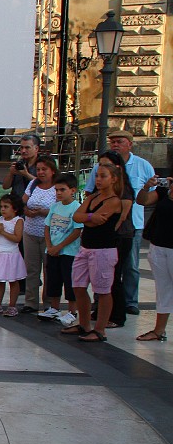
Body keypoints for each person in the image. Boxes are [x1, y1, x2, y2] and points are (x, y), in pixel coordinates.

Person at [84, 131, 154, 315]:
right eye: (112, 141)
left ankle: (130, 301)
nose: (115, 144)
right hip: (103, 226)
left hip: (131, 225)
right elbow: (89, 192)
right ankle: (100, 302)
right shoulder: (98, 170)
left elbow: (150, 194)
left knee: (130, 266)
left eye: (119, 141)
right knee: (103, 269)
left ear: (130, 144)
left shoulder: (142, 166)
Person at [63, 163, 123, 342]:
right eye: (97, 176)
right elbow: (78, 216)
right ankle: (84, 324)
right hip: (86, 247)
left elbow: (99, 221)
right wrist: (90, 217)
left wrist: (88, 219)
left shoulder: (114, 201)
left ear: (113, 179)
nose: (98, 180)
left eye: (103, 176)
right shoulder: (92, 198)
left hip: (103, 250)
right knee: (79, 286)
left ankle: (100, 329)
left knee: (103, 290)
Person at [94, 152, 135, 328]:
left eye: (106, 165)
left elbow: (121, 217)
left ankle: (117, 315)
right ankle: (101, 311)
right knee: (102, 276)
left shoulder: (123, 189)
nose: (101, 168)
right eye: (99, 165)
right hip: (104, 237)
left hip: (119, 236)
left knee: (113, 276)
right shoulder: (101, 190)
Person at [39, 173, 82, 326]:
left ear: (73, 190)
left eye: (62, 190)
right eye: (56, 190)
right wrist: (50, 246)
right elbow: (47, 226)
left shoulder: (77, 208)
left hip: (68, 252)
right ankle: (54, 308)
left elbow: (77, 231)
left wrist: (59, 246)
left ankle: (72, 311)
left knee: (70, 281)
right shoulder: (55, 206)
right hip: (52, 251)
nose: (58, 193)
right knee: (53, 280)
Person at [135, 173, 173, 342]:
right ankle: (159, 330)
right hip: (158, 246)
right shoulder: (165, 191)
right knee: (163, 289)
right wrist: (146, 186)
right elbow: (142, 201)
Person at [20, 157, 58, 313]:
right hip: (30, 232)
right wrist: (26, 211)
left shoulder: (57, 187)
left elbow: (63, 208)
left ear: (52, 171)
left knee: (49, 269)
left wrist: (44, 212)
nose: (41, 172)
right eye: (39, 169)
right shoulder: (33, 184)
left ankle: (48, 302)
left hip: (49, 234)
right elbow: (23, 201)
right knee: (32, 268)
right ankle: (31, 302)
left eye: (44, 169)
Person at [2, 133, 41, 197]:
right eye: (21, 147)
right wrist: (11, 173)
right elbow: (5, 186)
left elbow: (45, 184)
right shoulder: (19, 163)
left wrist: (26, 174)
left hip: (33, 202)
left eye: (27, 148)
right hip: (16, 202)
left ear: (36, 149)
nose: (23, 151)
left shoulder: (43, 164)